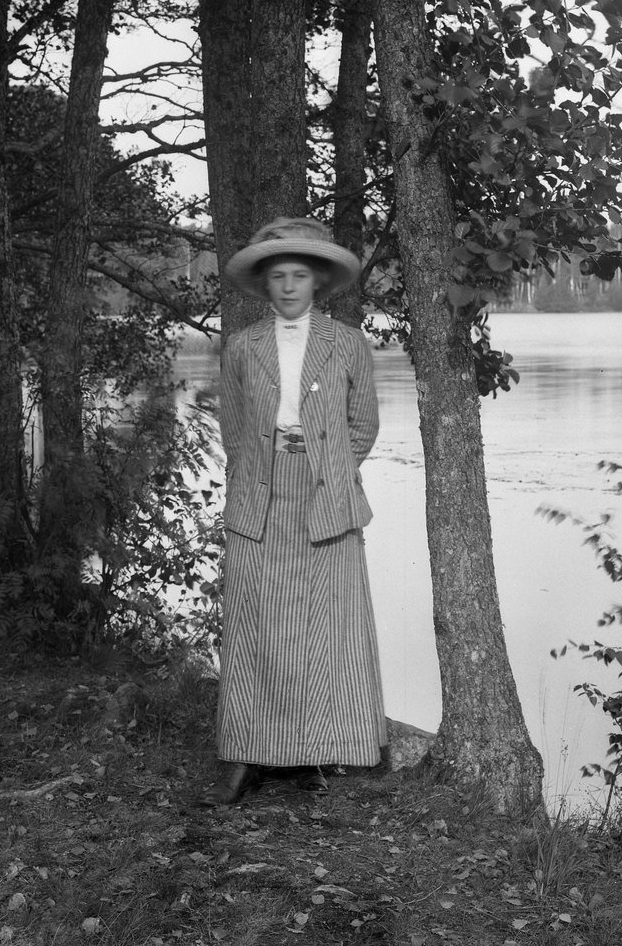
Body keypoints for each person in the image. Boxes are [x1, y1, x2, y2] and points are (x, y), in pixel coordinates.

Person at [199, 216, 386, 806]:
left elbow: (363, 424)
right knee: (257, 626)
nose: (287, 287)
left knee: (325, 628)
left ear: (318, 281)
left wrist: (328, 466)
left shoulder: (347, 342)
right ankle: (247, 755)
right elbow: (233, 429)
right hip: (261, 496)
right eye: (278, 276)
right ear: (264, 283)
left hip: (325, 497)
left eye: (299, 276)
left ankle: (320, 753)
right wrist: (264, 465)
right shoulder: (243, 346)